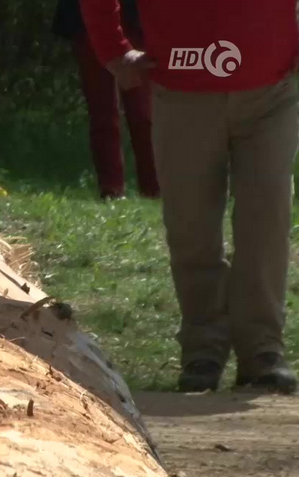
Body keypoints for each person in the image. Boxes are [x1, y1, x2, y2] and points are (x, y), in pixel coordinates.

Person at [80, 0, 299, 393]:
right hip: (183, 90)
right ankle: (203, 350)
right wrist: (113, 49)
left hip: (271, 91)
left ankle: (263, 350)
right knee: (191, 225)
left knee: (266, 220)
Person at [52, 0, 160, 200]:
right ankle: (111, 189)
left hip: (136, 16)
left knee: (143, 113)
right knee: (102, 111)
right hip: (88, 18)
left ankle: (154, 188)